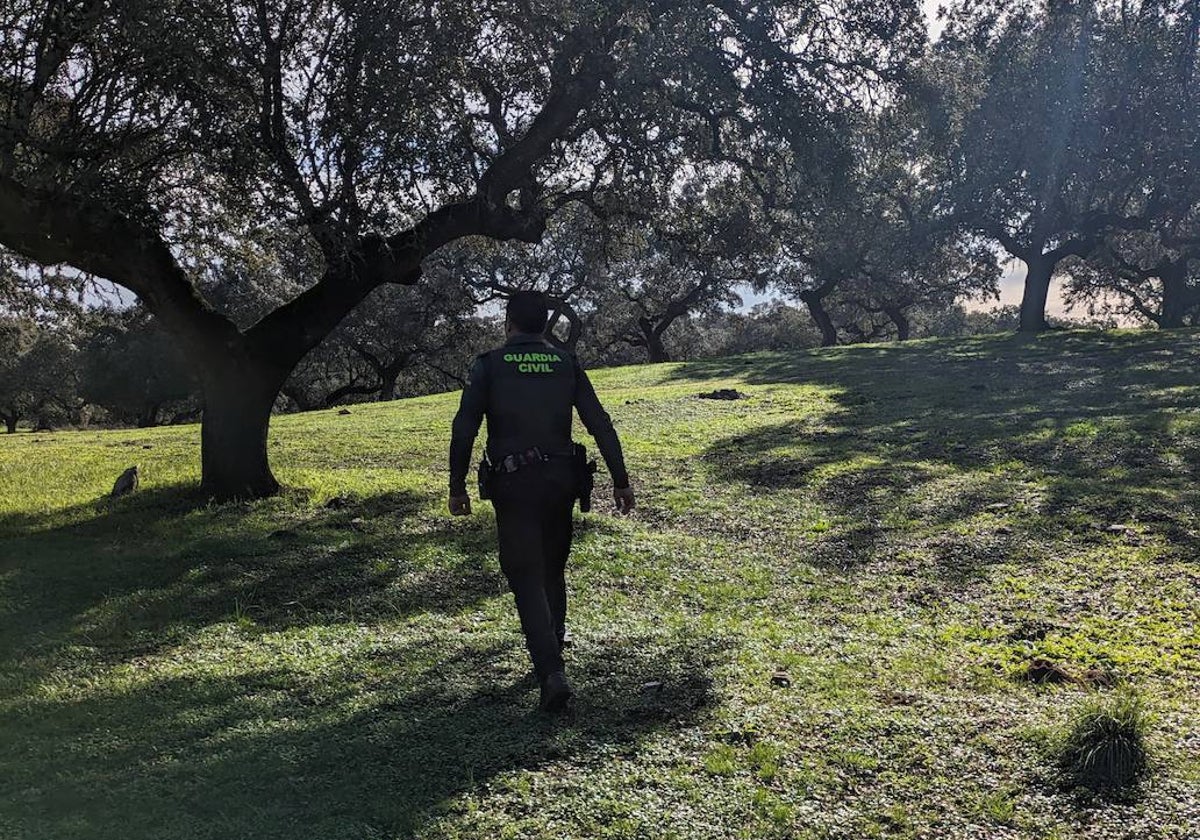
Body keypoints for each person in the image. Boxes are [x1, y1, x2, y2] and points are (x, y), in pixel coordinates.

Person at [448, 291, 635, 713]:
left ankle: (551, 671)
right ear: (543, 324)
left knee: (525, 576)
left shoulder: (490, 366)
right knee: (552, 568)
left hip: (514, 485)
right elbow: (599, 423)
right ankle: (555, 653)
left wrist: (456, 485)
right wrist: (621, 480)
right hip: (561, 480)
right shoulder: (565, 363)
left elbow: (465, 427)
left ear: (508, 323)